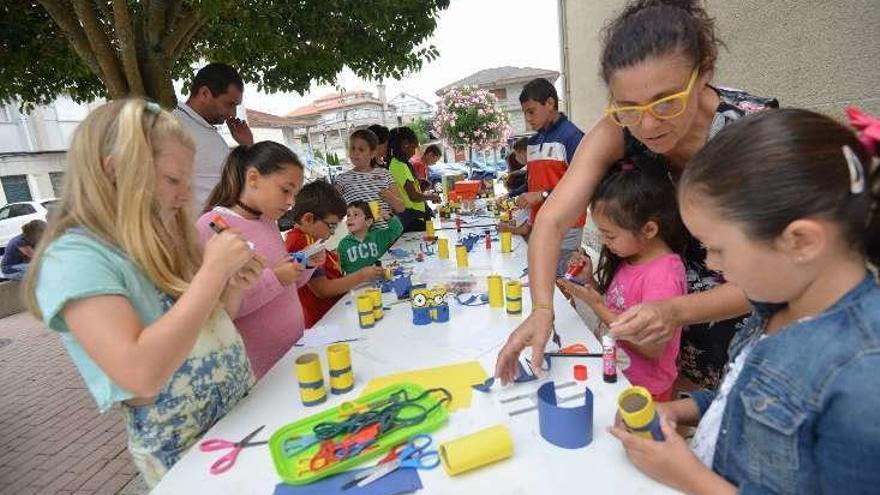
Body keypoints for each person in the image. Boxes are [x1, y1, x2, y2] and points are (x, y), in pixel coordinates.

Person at [495, 0, 778, 386]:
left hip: (750, 346)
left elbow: (777, 275)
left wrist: (673, 311)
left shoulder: (752, 136)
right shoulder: (617, 129)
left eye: (666, 103)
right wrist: (543, 308)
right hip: (664, 347)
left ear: (705, 72)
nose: (646, 124)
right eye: (627, 107)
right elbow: (552, 219)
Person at [611, 108, 880, 495]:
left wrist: (687, 476)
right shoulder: (777, 306)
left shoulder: (864, 377)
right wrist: (681, 409)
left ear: (801, 241)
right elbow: (744, 401)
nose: (709, 263)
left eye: (716, 248)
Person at [25, 99, 261, 487]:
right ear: (115, 170)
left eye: (188, 181)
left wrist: (230, 284)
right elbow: (140, 374)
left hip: (242, 422)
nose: (186, 195)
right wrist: (212, 273)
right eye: (172, 180)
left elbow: (210, 326)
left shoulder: (158, 233)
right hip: (187, 459)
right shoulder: (73, 258)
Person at [557, 156, 688, 401]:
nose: (605, 243)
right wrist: (590, 282)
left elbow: (652, 347)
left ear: (649, 229)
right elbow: (617, 306)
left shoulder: (663, 276)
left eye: (610, 236)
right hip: (616, 370)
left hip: (645, 389)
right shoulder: (632, 257)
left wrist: (595, 305)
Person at [197, 142, 321, 378]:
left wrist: (305, 265)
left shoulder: (267, 221)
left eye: (294, 194)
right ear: (253, 178)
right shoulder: (213, 226)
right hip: (260, 370)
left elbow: (287, 286)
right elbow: (221, 308)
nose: (291, 202)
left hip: (293, 354)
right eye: (286, 190)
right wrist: (276, 277)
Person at [285, 181, 385, 327]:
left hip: (334, 313)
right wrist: (362, 276)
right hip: (324, 320)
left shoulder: (309, 238)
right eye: (331, 225)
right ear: (308, 219)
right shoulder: (301, 242)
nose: (332, 232)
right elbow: (323, 289)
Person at [515, 78, 586, 277]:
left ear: (549, 103)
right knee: (543, 283)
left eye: (531, 111)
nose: (528, 118)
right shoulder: (533, 142)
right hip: (539, 224)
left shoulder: (573, 137)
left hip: (566, 226)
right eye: (525, 113)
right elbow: (534, 183)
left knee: (563, 286)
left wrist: (542, 195)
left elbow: (582, 187)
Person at [173, 63, 254, 213]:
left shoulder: (201, 128)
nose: (233, 113)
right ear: (204, 93)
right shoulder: (174, 128)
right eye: (229, 104)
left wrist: (247, 144)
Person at [335, 129, 405, 228]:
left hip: (386, 235)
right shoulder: (342, 179)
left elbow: (401, 208)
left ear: (373, 153)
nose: (355, 153)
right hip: (360, 239)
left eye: (361, 149)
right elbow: (332, 205)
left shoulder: (385, 175)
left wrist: (391, 198)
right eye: (352, 148)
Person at [387, 127, 440, 232]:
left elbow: (408, 191)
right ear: (405, 145)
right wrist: (432, 196)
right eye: (413, 147)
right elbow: (414, 196)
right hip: (412, 220)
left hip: (415, 218)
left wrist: (419, 185)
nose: (413, 152)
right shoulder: (398, 165)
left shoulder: (402, 164)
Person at [337, 202, 403, 274]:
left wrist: (389, 217)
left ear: (368, 222)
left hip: (381, 279)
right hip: (357, 284)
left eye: (355, 214)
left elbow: (397, 230)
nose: (350, 218)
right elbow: (339, 269)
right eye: (348, 215)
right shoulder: (343, 244)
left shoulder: (379, 236)